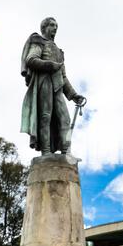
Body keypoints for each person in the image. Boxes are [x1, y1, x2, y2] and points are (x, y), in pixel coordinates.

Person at [20, 17, 85, 155]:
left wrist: (73, 95)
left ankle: (66, 152)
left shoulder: (59, 52)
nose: (55, 28)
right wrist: (49, 65)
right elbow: (31, 59)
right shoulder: (38, 41)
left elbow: (63, 76)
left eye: (56, 25)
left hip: (58, 85)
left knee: (65, 118)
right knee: (45, 116)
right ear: (44, 28)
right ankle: (46, 152)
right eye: (52, 25)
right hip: (44, 81)